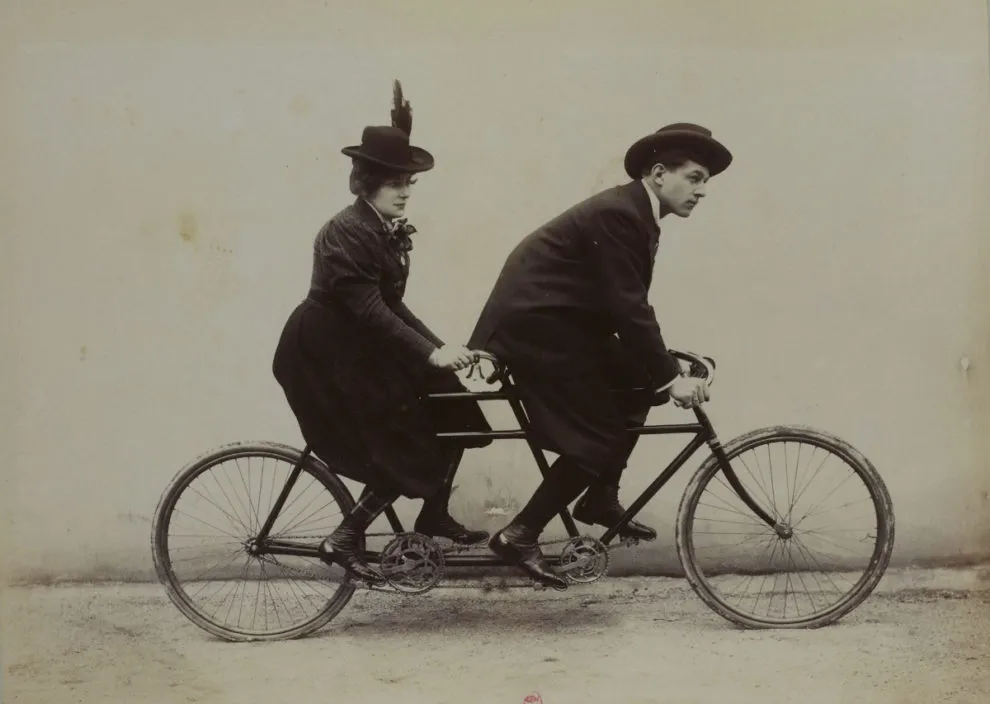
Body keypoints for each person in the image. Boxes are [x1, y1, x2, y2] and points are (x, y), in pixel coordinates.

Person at [467, 123, 733, 589]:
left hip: (561, 327)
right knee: (597, 438)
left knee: (637, 380)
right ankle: (519, 534)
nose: (703, 191)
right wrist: (671, 377)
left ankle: (600, 497)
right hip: (537, 331)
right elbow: (627, 306)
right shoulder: (620, 214)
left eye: (705, 180)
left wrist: (663, 365)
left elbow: (623, 308)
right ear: (657, 173)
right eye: (694, 177)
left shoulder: (636, 213)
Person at [272, 83, 493, 586]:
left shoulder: (380, 228)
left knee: (453, 406)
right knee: (402, 442)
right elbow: (368, 308)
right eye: (397, 182)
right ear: (367, 182)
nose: (407, 191)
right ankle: (346, 536)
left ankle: (432, 514)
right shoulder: (346, 231)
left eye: (410, 182)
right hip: (325, 352)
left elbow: (391, 305)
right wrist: (428, 354)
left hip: (363, 345)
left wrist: (443, 351)